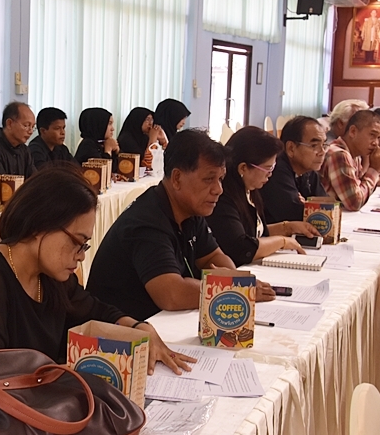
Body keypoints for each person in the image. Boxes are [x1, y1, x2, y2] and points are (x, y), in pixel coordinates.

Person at [0, 163, 195, 369]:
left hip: (30, 406)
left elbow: (96, 311)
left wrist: (140, 329)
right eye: (77, 242)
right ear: (39, 225)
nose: (80, 256)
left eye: (84, 245)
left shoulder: (50, 276)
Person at [86, 129, 276, 322]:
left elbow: (213, 257)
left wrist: (233, 279)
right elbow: (172, 294)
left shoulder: (189, 210)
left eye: (220, 179)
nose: (219, 189)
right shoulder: (146, 221)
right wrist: (235, 289)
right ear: (177, 178)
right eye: (209, 179)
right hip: (119, 333)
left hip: (159, 322)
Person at [207, 127, 320, 267]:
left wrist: (288, 228)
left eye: (273, 167)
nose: (270, 174)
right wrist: (282, 241)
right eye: (267, 168)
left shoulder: (250, 190)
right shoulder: (223, 198)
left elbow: (256, 233)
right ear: (243, 168)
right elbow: (243, 247)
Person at [260, 116, 329, 224]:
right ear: (291, 148)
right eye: (314, 145)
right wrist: (309, 206)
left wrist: (308, 206)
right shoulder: (275, 170)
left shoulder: (308, 170)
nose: (322, 152)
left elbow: (327, 208)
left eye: (324, 145)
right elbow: (294, 215)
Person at [320, 109, 380, 211]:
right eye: (372, 135)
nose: (376, 143)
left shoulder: (355, 156)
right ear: (353, 131)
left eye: (378, 137)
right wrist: (374, 169)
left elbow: (360, 190)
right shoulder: (339, 154)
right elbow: (355, 203)